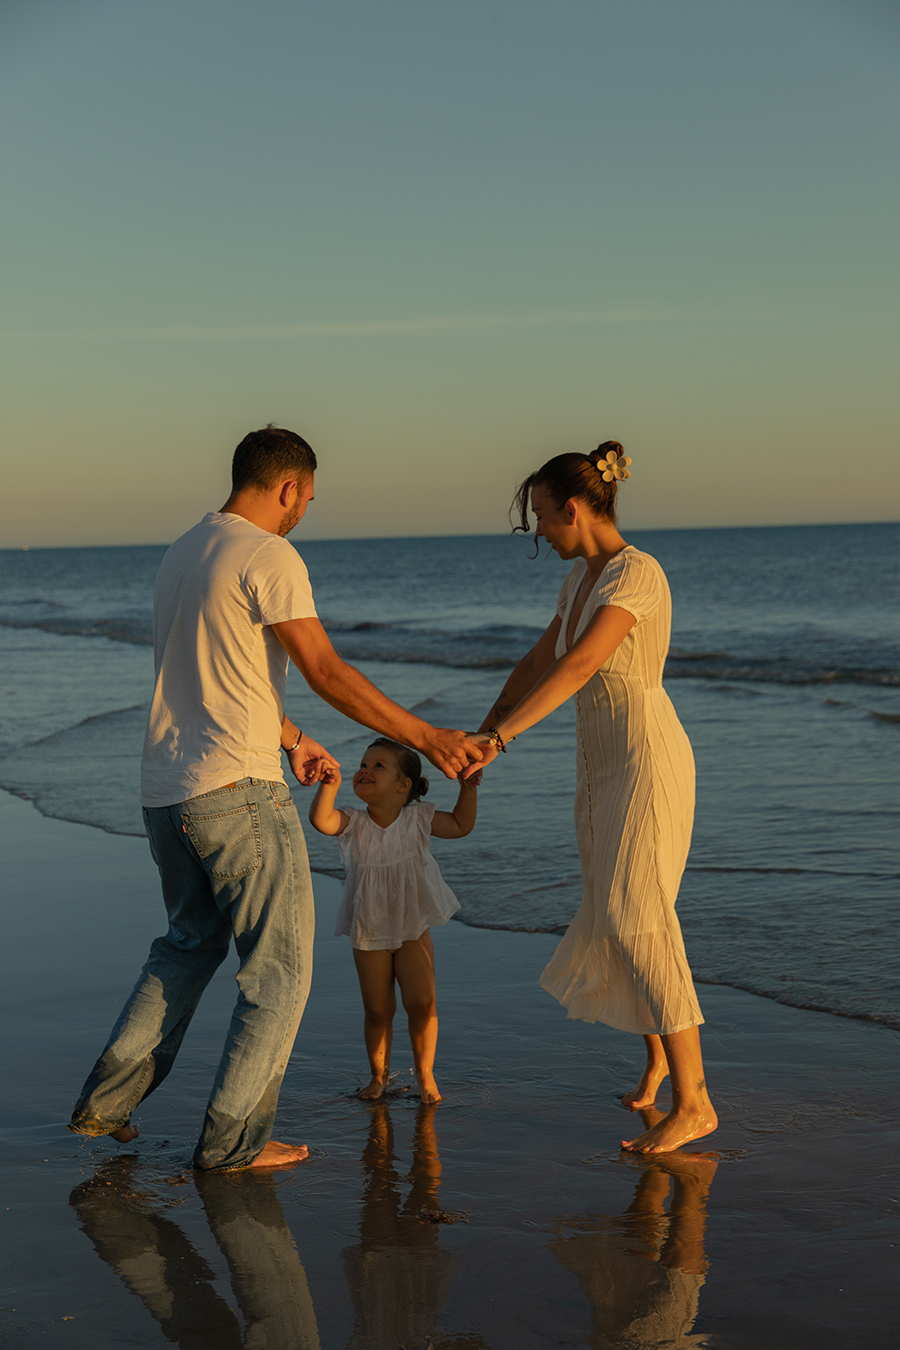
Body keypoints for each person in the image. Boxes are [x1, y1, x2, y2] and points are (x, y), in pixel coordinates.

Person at [68, 425, 481, 1171]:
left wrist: (291, 737)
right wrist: (425, 733)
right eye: (307, 500)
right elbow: (323, 668)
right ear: (288, 486)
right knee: (280, 972)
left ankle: (106, 1106)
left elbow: (215, 671)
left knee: (188, 947)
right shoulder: (269, 553)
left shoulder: (185, 552)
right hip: (236, 794)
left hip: (167, 793)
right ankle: (231, 1143)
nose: (303, 515)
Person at [467, 442, 716, 1155]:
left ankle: (695, 1102)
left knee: (637, 913)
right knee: (617, 908)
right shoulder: (579, 582)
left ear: (573, 508)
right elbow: (541, 658)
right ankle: (662, 1058)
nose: (541, 532)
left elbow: (582, 664)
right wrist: (484, 732)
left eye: (543, 517)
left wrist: (505, 739)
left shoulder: (637, 574)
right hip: (601, 763)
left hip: (645, 758)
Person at [309, 738, 478, 1104]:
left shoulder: (419, 819)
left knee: (421, 1002)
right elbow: (321, 820)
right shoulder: (353, 822)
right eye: (363, 763)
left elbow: (462, 825)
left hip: (412, 924)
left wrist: (467, 789)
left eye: (378, 766)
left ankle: (425, 1076)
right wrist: (329, 785)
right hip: (367, 927)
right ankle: (377, 1076)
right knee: (378, 1008)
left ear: (403, 786)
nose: (365, 769)